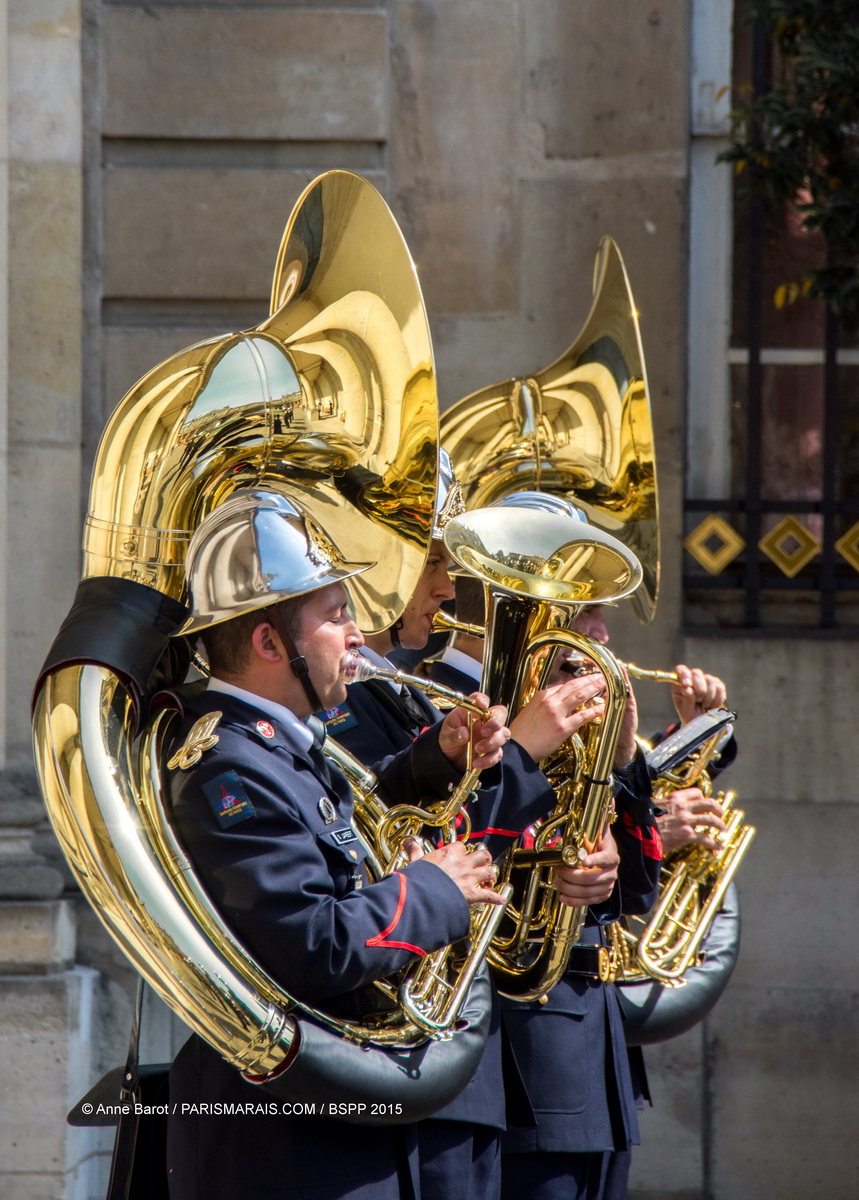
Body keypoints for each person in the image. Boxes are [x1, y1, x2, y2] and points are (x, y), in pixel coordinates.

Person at [163, 489, 518, 1200]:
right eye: (334, 616)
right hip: (286, 1139)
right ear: (270, 643)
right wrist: (435, 890)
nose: (358, 633)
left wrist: (435, 763)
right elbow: (314, 943)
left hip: (329, 1119)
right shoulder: (228, 767)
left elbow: (343, 850)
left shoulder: (278, 750)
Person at [329, 474, 659, 1200]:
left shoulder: (544, 710)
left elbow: (634, 894)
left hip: (581, 1051)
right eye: (577, 607)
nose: (592, 631)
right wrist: (525, 752)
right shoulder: (397, 701)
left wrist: (601, 853)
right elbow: (414, 849)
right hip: (497, 1047)